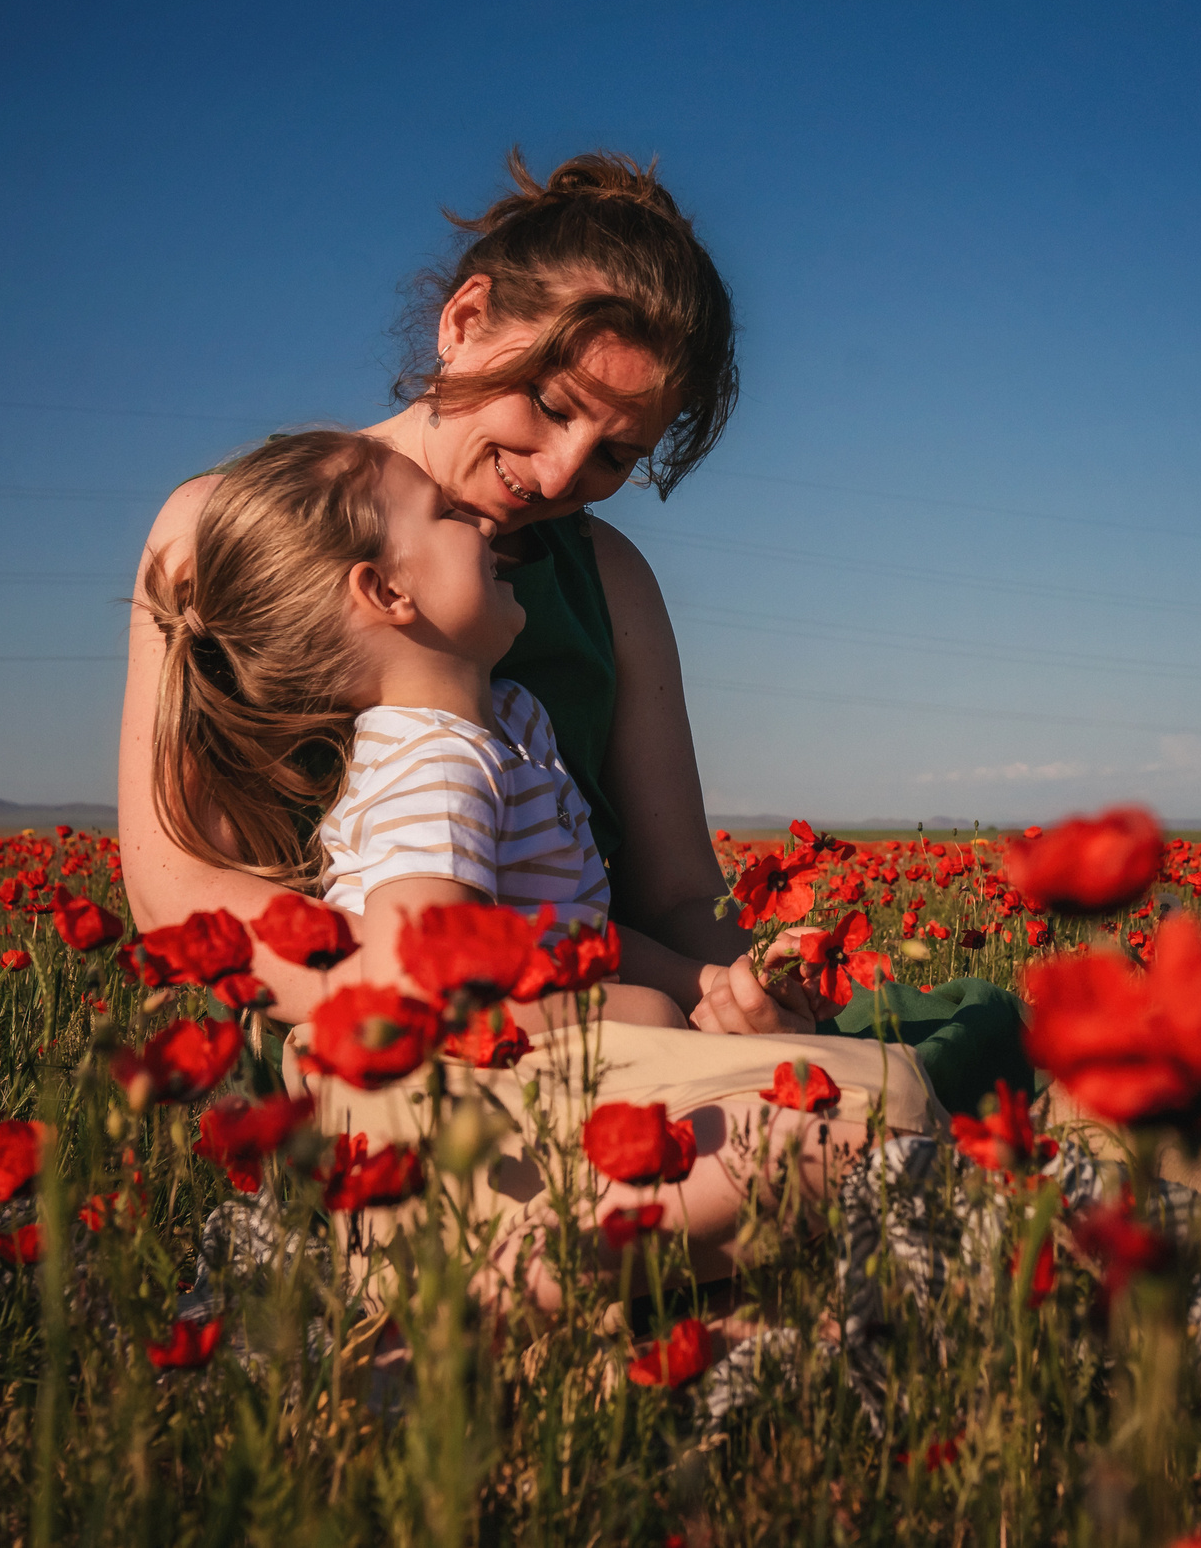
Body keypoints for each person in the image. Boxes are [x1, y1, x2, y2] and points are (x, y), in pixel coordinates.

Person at [131, 420, 939, 1306]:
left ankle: (541, 1284)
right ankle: (467, 1285)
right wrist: (638, 1009)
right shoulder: (431, 760)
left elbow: (566, 942)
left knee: (862, 1097)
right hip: (442, 1123)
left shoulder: (502, 728)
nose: (483, 527)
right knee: (883, 1105)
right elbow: (426, 990)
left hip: (521, 1101)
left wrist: (704, 982)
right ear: (388, 591)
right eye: (445, 516)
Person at [119, 150, 809, 1033]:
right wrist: (432, 1012)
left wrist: (741, 995)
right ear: (465, 319)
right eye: (555, 405)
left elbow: (675, 895)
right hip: (347, 1043)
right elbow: (180, 892)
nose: (561, 472)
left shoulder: (612, 580)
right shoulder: (221, 525)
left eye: (615, 455)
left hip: (594, 1017)